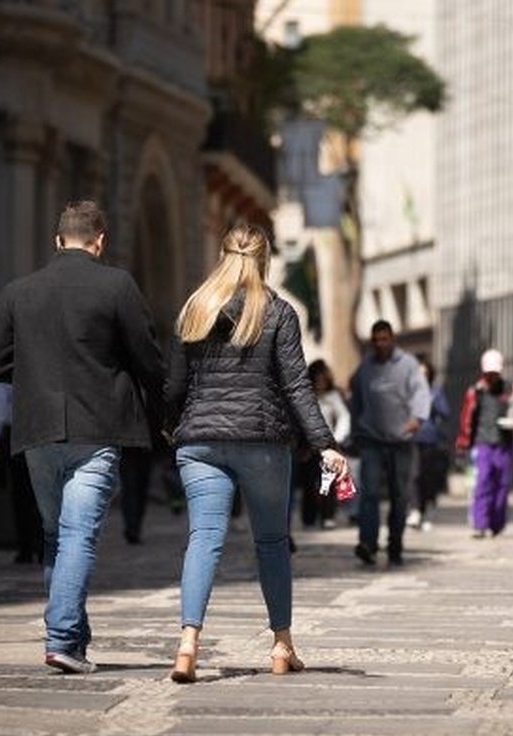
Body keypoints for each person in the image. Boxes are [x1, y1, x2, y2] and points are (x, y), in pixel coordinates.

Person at [0, 200, 165, 674]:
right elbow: (148, 357)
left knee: (56, 535)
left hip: (38, 429)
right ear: (100, 241)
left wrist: (38, 372)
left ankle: (74, 638)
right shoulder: (117, 284)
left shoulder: (18, 291)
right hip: (97, 425)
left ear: (57, 239)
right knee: (77, 536)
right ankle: (62, 639)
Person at [162, 223, 348, 683]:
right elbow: (296, 384)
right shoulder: (279, 312)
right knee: (271, 543)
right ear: (264, 259)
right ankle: (282, 645)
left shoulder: (196, 308)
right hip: (262, 442)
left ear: (222, 254)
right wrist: (323, 442)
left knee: (204, 538)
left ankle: (188, 643)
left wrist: (170, 428)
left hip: (200, 441)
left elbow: (174, 385)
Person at [349, 320, 430, 564]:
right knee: (370, 493)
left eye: (384, 339)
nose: (380, 344)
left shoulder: (408, 365)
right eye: (376, 340)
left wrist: (417, 418)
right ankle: (368, 543)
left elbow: (420, 392)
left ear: (392, 339)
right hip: (372, 440)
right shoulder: (365, 368)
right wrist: (356, 431)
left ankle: (395, 544)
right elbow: (356, 401)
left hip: (400, 441)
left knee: (399, 494)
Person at [457, 349, 513, 538]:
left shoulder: (510, 389)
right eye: (489, 373)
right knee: (483, 483)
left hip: (504, 443)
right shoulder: (475, 392)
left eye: (495, 373)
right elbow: (467, 419)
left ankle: (497, 524)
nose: (492, 377)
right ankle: (480, 523)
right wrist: (463, 442)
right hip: (482, 444)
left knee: (502, 485)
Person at [0, 381, 43, 564]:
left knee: (22, 493)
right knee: (39, 491)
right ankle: (39, 545)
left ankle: (26, 547)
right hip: (40, 432)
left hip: (18, 432)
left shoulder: (10, 364)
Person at [407, 355, 453, 530]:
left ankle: (423, 509)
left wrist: (433, 400)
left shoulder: (435, 391)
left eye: (425, 374)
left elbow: (445, 412)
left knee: (427, 477)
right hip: (412, 438)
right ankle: (414, 510)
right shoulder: (409, 392)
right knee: (414, 474)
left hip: (430, 440)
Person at [307, 359, 353, 527]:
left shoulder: (333, 397)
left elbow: (344, 417)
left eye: (322, 380)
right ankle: (309, 516)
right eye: (316, 379)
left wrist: (337, 438)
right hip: (309, 446)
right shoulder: (306, 396)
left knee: (328, 481)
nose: (319, 383)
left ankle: (327, 516)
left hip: (328, 445)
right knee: (309, 482)